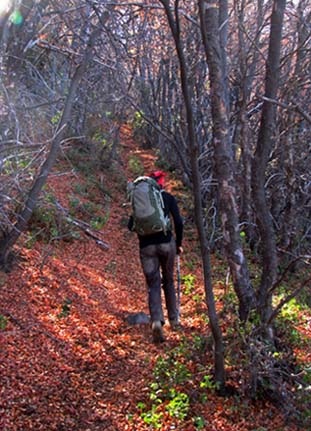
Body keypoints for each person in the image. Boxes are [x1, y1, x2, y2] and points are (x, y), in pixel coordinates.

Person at [128, 170, 183, 343]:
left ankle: (157, 322)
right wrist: (179, 243)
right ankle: (174, 320)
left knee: (153, 284)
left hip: (146, 248)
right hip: (167, 244)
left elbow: (131, 225)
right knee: (168, 281)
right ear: (160, 183)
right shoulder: (167, 198)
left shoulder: (141, 202)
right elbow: (179, 222)